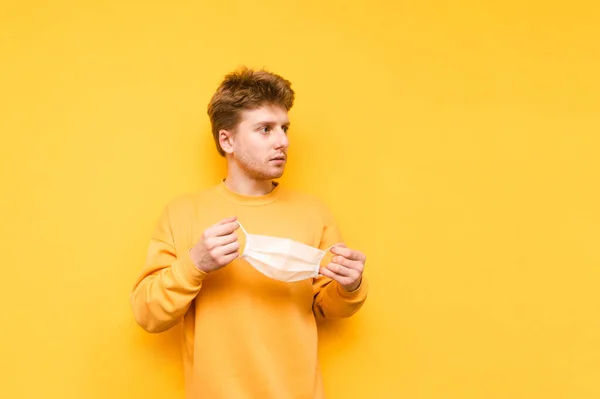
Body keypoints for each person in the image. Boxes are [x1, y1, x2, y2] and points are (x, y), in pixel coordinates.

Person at [130, 66, 368, 399]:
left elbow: (326, 307)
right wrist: (195, 262)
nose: (283, 141)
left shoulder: (314, 212)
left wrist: (350, 286)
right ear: (226, 139)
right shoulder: (183, 212)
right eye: (265, 129)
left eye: (284, 128)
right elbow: (147, 313)